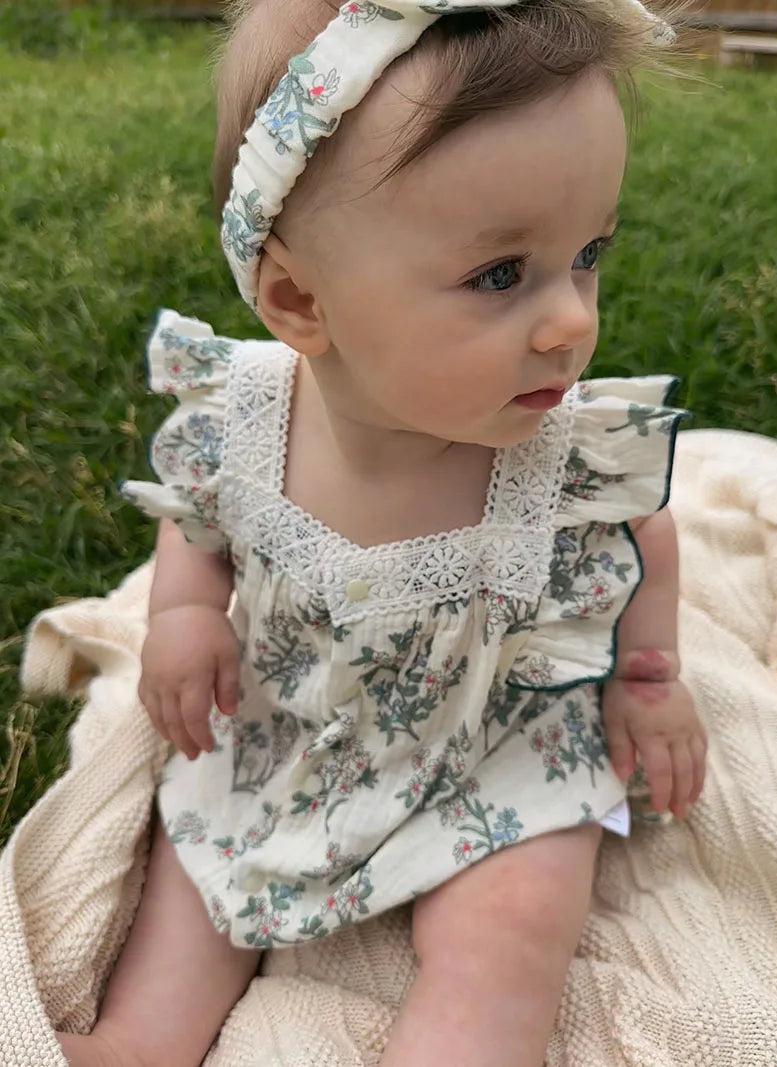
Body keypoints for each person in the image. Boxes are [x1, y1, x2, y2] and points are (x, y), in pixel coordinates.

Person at [58, 1, 707, 1064]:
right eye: (501, 276)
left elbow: (648, 544)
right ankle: (143, 1035)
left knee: (519, 905)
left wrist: (643, 678)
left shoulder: (557, 458)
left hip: (489, 743)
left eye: (585, 254)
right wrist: (181, 611)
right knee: (197, 855)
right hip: (288, 729)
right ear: (298, 302)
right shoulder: (245, 420)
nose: (572, 321)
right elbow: (201, 522)